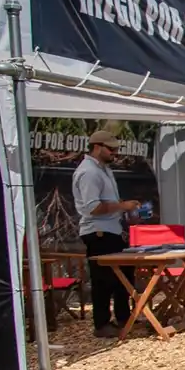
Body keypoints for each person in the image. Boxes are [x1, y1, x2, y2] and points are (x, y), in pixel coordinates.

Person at [72, 130, 139, 338]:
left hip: (111, 230)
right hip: (98, 232)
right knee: (103, 280)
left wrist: (124, 210)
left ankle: (123, 317)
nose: (115, 153)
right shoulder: (89, 173)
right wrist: (122, 206)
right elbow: (92, 208)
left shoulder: (103, 170)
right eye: (111, 149)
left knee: (124, 276)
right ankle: (101, 324)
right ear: (97, 147)